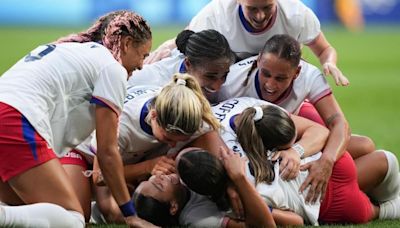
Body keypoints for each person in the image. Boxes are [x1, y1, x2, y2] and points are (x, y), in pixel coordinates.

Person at [0, 10, 152, 227]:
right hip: (14, 118)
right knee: (72, 219)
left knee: (20, 205)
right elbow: (107, 152)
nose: (141, 66)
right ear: (126, 44)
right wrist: (130, 215)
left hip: (9, 113)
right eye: (143, 55)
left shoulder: (73, 49)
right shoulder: (112, 68)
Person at [215, 34, 376, 201]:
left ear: (297, 72)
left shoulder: (309, 76)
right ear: (258, 61)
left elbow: (339, 123)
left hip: (290, 129)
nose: (270, 84)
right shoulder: (230, 83)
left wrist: (325, 161)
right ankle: (355, 191)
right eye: (266, 74)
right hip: (251, 145)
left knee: (365, 146)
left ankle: (353, 189)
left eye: (280, 78)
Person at [214, 97, 400, 225]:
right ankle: (388, 203)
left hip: (330, 186)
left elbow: (290, 220)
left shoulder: (255, 119)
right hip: (334, 193)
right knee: (386, 160)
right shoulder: (247, 118)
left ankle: (387, 204)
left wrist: (296, 151)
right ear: (271, 149)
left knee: (371, 149)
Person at [88, 73, 222, 224]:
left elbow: (211, 140)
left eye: (179, 141)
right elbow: (99, 176)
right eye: (168, 139)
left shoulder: (188, 116)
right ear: (153, 115)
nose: (172, 145)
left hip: (138, 155)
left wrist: (228, 185)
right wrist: (148, 167)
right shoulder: (123, 125)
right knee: (114, 212)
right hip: (90, 156)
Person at [145, 0, 349, 86]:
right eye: (252, 8)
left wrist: (329, 62)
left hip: (279, 86)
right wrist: (170, 45)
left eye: (267, 7)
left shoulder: (296, 14)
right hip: (232, 83)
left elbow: (324, 49)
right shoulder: (218, 13)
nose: (260, 16)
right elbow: (190, 37)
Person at [133, 147, 276, 227]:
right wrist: (238, 179)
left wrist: (228, 182)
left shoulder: (182, 173)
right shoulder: (197, 219)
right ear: (173, 207)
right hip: (277, 189)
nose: (159, 177)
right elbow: (263, 226)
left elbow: (205, 141)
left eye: (151, 179)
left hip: (272, 162)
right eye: (159, 185)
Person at [128, 29, 235, 103]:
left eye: (224, 76)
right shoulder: (150, 80)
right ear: (187, 64)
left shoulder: (225, 67)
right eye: (210, 76)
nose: (217, 87)